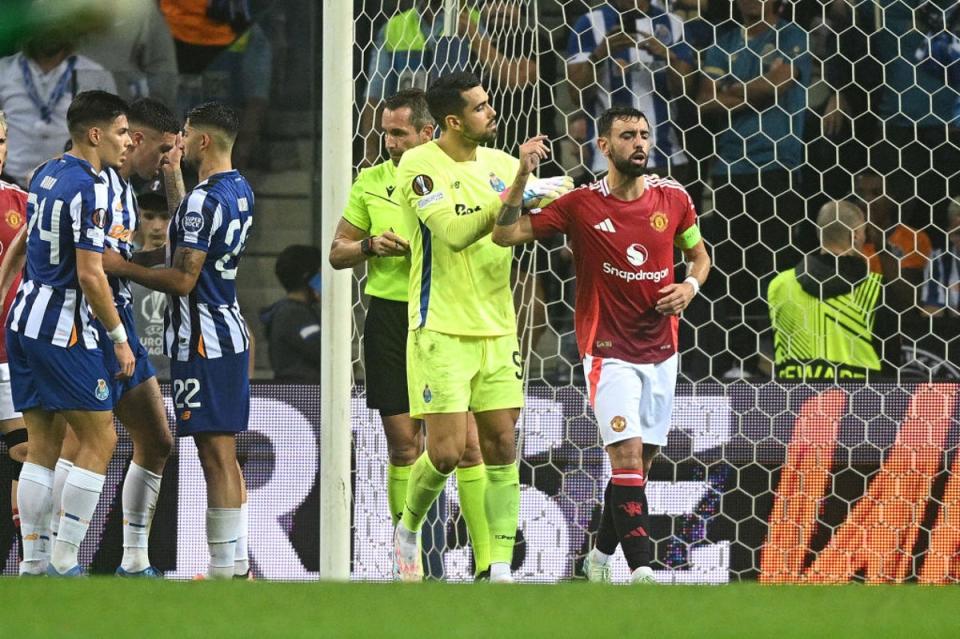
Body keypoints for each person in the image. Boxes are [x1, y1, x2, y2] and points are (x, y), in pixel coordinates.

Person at [492, 106, 710, 584]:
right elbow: (505, 232)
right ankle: (643, 571)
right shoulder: (581, 205)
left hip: (662, 349)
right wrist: (520, 175)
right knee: (627, 459)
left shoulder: (673, 198)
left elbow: (698, 255)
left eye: (644, 135)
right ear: (604, 147)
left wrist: (689, 287)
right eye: (627, 135)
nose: (639, 143)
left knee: (639, 467)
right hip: (608, 350)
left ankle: (598, 557)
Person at [391, 71, 572, 583]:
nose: (491, 112)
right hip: (440, 326)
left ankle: (497, 567)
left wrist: (554, 189)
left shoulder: (499, 164)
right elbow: (451, 232)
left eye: (489, 103)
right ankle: (407, 527)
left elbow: (539, 201)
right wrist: (518, 190)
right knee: (446, 453)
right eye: (480, 107)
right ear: (453, 120)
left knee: (501, 444)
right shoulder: (419, 166)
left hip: (497, 326)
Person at [329, 88, 493, 577]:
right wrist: (370, 247)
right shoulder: (371, 181)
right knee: (404, 445)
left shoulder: (460, 175)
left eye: (398, 132)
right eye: (385, 132)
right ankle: (410, 565)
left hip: (447, 317)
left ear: (428, 132)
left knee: (466, 446)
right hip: (391, 319)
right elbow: (337, 252)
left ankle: (487, 564)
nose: (389, 142)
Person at [104, 101, 253, 579]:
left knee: (215, 455)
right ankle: (237, 563)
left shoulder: (201, 202)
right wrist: (173, 177)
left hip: (201, 339)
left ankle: (223, 570)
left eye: (186, 136)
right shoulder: (238, 189)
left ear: (204, 141)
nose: (180, 143)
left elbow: (184, 278)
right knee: (223, 453)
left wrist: (122, 267)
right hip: (228, 330)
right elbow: (191, 224)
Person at [7, 90, 135, 576]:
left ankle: (35, 563)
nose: (127, 141)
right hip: (65, 329)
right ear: (96, 134)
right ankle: (64, 560)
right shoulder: (90, 187)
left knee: (41, 443)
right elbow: (90, 274)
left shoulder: (44, 171)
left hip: (24, 318)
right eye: (122, 132)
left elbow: (22, 244)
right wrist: (119, 336)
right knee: (100, 438)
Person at [694, 0, 811, 378]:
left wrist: (731, 89)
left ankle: (783, 357)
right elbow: (705, 101)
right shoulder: (723, 42)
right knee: (732, 268)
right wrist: (754, 90)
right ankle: (741, 360)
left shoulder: (793, 36)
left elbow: (778, 85)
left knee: (775, 267)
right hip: (730, 168)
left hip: (778, 164)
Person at [91, 97, 181, 577]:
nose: (167, 161)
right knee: (81, 446)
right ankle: (50, 564)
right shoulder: (100, 187)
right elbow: (94, 267)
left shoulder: (126, 191)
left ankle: (134, 561)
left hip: (119, 327)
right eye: (163, 151)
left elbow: (119, 264)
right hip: (91, 332)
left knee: (156, 439)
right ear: (136, 140)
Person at [767, 200, 901, 381]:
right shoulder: (875, 288)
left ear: (819, 233)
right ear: (855, 235)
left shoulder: (779, 285)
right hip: (862, 401)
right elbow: (891, 360)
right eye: (864, 232)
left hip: (796, 400)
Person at [566, 0, 694, 181]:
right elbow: (576, 94)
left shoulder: (673, 23)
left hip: (664, 155)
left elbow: (685, 91)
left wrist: (667, 56)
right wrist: (599, 55)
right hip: (609, 159)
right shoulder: (589, 23)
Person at [0, 25, 116, 186]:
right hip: (8, 181)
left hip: (69, 183)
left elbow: (110, 135)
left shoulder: (93, 74)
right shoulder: (4, 70)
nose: (50, 30)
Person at [0, 109, 27, 560]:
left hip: (8, 357)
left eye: (1, 140)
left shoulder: (21, 203)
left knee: (23, 452)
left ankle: (30, 563)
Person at [261, 244, 322, 383]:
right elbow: (326, 355)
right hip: (299, 395)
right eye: (320, 273)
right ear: (308, 277)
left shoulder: (298, 311)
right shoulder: (293, 315)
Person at [128, 189, 172, 380]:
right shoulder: (122, 264)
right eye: (149, 216)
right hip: (134, 374)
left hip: (177, 374)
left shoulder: (189, 269)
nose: (157, 226)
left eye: (165, 217)